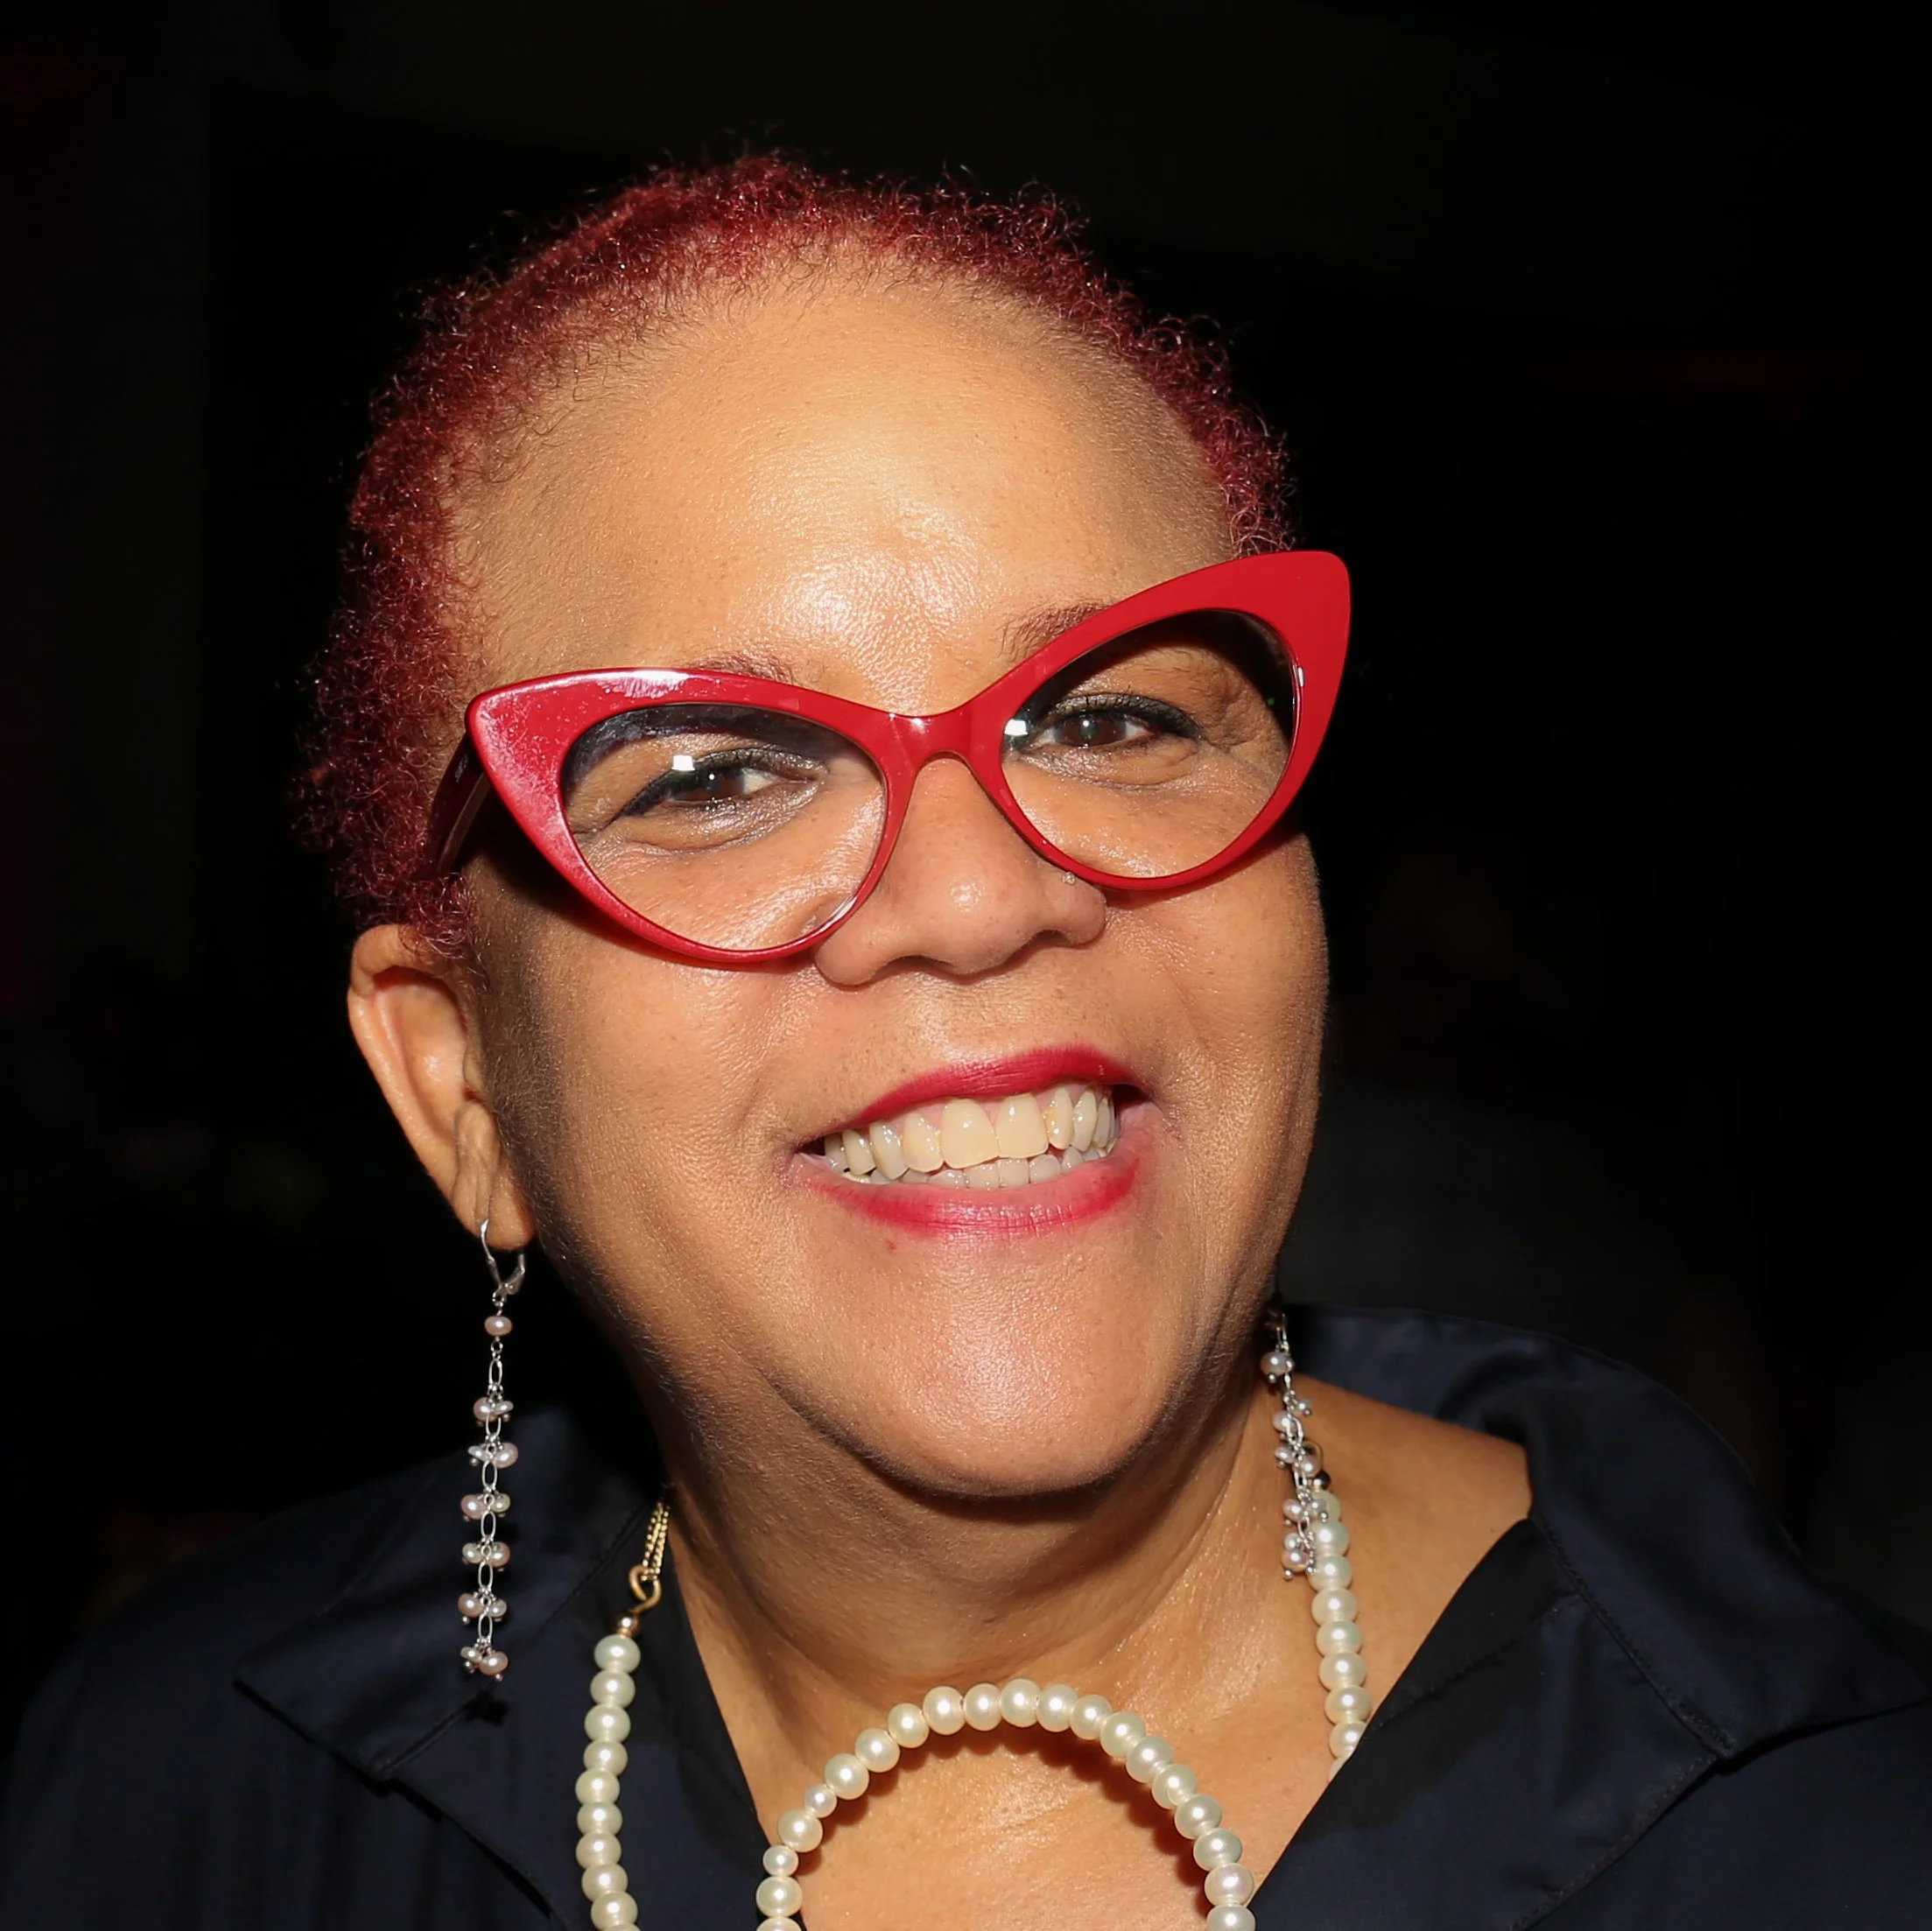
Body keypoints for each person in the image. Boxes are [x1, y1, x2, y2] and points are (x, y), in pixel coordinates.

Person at [3, 157, 1927, 1930]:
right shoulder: (182, 1795)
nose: (977, 892)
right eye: (716, 772)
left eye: (1110, 719)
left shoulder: (1833, 1831)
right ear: (461, 1085)